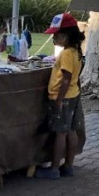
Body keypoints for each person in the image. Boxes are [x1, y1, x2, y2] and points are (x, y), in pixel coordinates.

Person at [35, 13, 86, 179]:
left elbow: (66, 78)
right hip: (73, 96)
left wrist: (58, 100)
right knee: (71, 132)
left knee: (60, 134)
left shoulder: (65, 54)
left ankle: (54, 169)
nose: (53, 38)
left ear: (66, 36)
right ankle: (68, 166)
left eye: (56, 35)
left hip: (63, 97)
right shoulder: (76, 51)